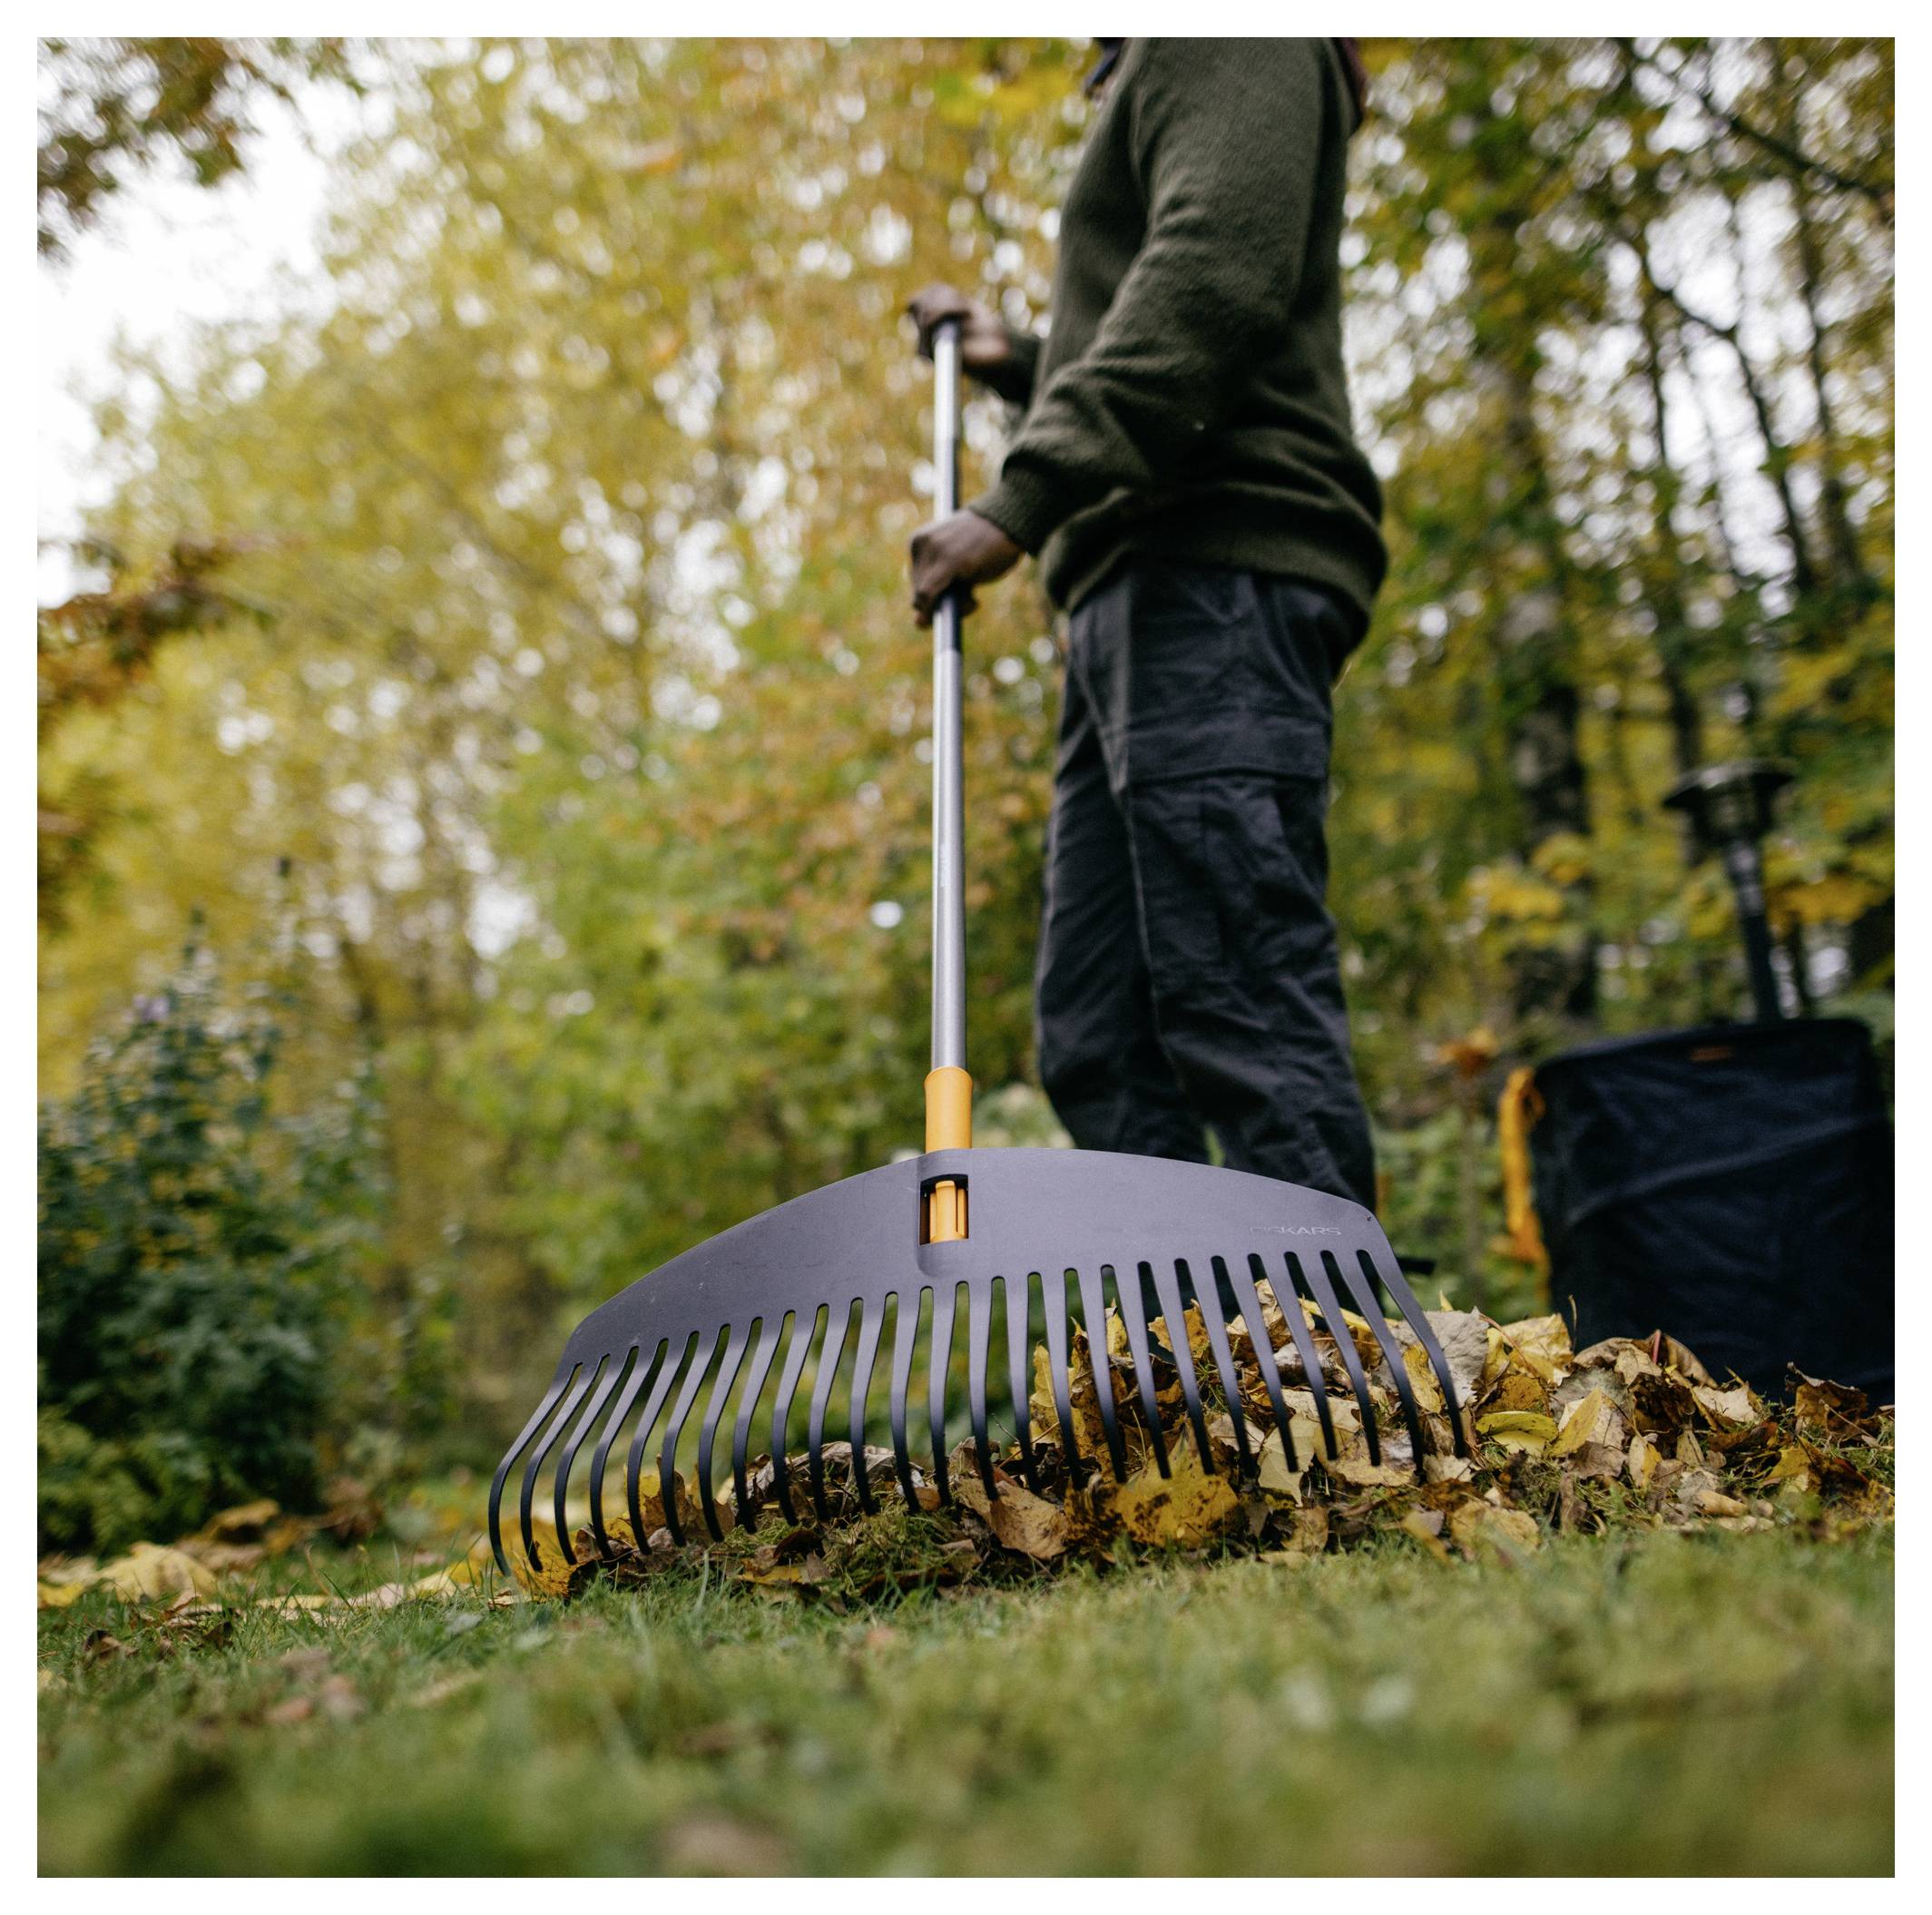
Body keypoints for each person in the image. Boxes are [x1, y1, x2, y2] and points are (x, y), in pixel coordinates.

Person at [906, 37, 1385, 1210]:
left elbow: (1215, 271)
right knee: (1097, 1032)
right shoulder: (1158, 58)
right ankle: (1200, 1363)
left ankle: (1339, 1362)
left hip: (1214, 561)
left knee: (1237, 996)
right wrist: (1014, 358)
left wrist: (1019, 496)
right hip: (1129, 584)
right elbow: (1152, 308)